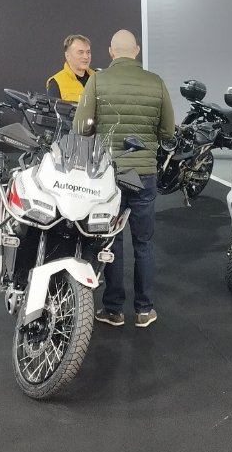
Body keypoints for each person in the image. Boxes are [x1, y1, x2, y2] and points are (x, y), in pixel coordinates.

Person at [73, 30, 175, 328]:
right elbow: (168, 131)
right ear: (137, 50)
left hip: (109, 175)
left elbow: (80, 127)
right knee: (144, 242)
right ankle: (144, 310)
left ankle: (113, 309)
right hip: (143, 174)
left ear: (111, 51)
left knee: (111, 241)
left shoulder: (97, 81)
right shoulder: (156, 82)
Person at [46, 34, 94, 102]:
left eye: (88, 52)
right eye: (80, 52)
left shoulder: (97, 78)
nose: (86, 57)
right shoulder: (56, 83)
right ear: (67, 56)